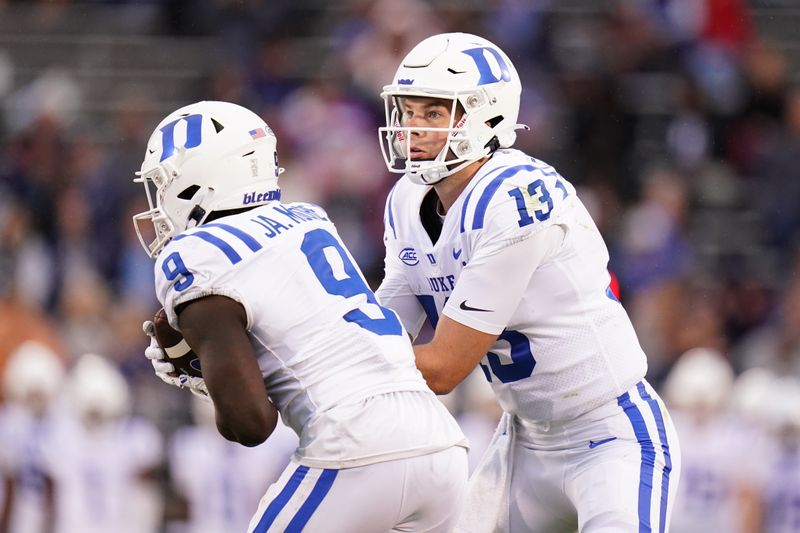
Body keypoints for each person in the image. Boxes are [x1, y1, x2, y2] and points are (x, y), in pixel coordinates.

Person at [376, 32, 682, 532]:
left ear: (487, 117)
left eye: (433, 114)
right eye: (408, 112)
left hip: (610, 435)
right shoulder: (406, 200)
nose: (413, 129)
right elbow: (385, 328)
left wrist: (329, 354)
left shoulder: (516, 198)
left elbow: (443, 367)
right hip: (523, 440)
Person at [133, 101, 468, 533]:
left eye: (164, 183)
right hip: (440, 443)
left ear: (201, 177)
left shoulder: (196, 256)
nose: (160, 201)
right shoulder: (309, 219)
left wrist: (212, 379)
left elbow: (251, 424)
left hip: (354, 444)